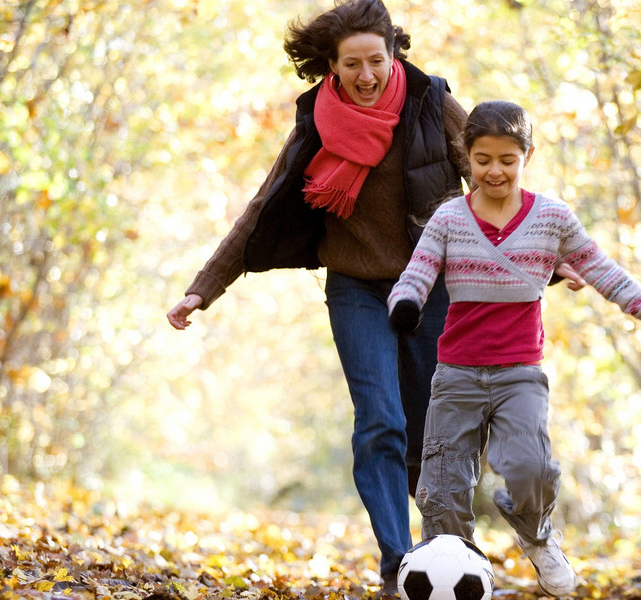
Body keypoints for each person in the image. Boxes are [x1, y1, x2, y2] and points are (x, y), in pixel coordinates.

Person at [164, 1, 501, 596]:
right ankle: (400, 561)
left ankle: (445, 548)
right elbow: (262, 208)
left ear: (394, 54)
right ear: (332, 66)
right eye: (353, 64)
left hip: (433, 287)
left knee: (436, 430)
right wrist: (202, 289)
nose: (367, 75)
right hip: (356, 288)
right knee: (380, 421)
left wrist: (551, 261)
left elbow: (495, 179)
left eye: (378, 59)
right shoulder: (317, 121)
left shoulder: (431, 102)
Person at [386, 100, 641, 597]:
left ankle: (536, 535)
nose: (494, 171)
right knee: (444, 486)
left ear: (527, 156)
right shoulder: (449, 218)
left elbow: (605, 274)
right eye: (483, 159)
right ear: (466, 157)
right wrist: (406, 303)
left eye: (507, 160)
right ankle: (451, 569)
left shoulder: (552, 218)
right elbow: (418, 272)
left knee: (531, 468)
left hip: (519, 374)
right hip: (456, 374)